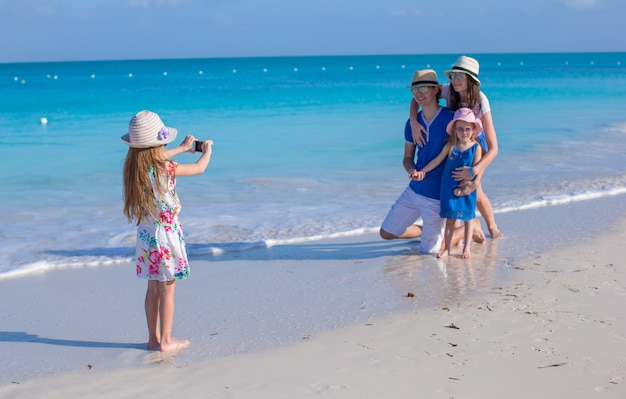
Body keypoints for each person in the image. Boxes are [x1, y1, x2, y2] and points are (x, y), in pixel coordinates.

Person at [122, 110, 214, 352]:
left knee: (152, 289)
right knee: (168, 287)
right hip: (166, 234)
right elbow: (198, 169)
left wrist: (183, 148)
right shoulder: (165, 167)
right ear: (160, 143)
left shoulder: (134, 168)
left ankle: (153, 340)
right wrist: (207, 152)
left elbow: (155, 157)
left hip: (145, 235)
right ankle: (166, 340)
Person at [409, 55, 503, 239]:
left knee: (474, 188)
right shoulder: (447, 91)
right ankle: (461, 232)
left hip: (475, 145)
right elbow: (416, 100)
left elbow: (494, 148)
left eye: (460, 76)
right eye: (453, 75)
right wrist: (413, 121)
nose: (455, 80)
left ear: (471, 80)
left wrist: (475, 170)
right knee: (454, 186)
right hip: (454, 142)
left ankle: (491, 227)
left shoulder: (481, 99)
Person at [380, 69, 473, 254]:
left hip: (436, 196)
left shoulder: (452, 118)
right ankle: (428, 234)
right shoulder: (412, 123)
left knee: (431, 252)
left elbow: (474, 144)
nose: (419, 94)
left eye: (423, 88)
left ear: (435, 90)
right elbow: (407, 158)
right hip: (414, 190)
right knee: (387, 233)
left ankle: (466, 229)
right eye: (414, 91)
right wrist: (411, 169)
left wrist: (472, 175)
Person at [415, 108, 483, 259]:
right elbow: (437, 160)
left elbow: (477, 171)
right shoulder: (451, 146)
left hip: (466, 189)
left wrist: (467, 188)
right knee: (450, 220)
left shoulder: (476, 148)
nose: (464, 132)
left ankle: (467, 248)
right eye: (460, 129)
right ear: (454, 130)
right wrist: (422, 172)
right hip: (448, 188)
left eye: (467, 129)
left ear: (473, 130)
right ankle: (448, 250)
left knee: (468, 218)